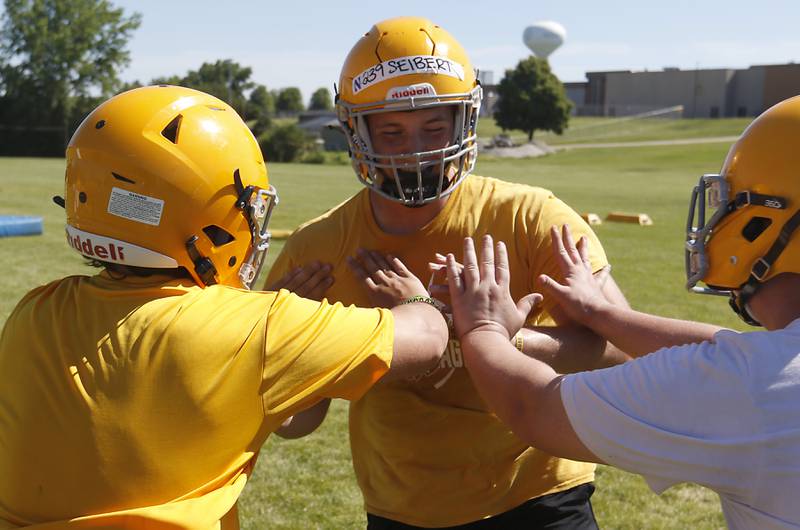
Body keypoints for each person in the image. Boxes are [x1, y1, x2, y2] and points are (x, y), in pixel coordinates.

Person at [0, 85, 449, 529]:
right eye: (246, 209)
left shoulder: (34, 312)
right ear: (203, 210)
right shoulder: (259, 328)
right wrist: (416, 297)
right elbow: (426, 338)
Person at [265, 16, 630, 529]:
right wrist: (279, 353)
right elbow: (298, 424)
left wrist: (501, 336)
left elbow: (623, 354)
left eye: (434, 126)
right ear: (356, 129)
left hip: (539, 497)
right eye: (391, 131)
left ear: (465, 120)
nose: (416, 148)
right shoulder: (318, 250)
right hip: (404, 507)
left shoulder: (531, 218)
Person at [446, 96, 800, 529]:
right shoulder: (759, 370)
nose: (720, 221)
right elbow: (730, 352)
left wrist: (481, 327)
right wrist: (601, 314)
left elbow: (532, 407)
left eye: (734, 206)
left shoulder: (751, 387)